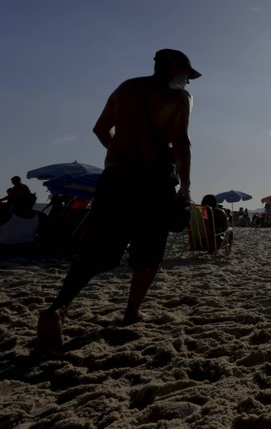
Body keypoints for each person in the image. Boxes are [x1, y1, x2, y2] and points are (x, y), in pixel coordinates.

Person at [37, 49, 200, 349]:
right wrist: (186, 188)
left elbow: (100, 129)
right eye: (188, 76)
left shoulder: (125, 88)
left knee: (97, 250)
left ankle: (56, 310)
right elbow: (181, 141)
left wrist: (122, 154)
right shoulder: (178, 97)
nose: (188, 83)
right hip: (153, 179)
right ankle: (131, 312)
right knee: (150, 251)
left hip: (115, 178)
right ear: (176, 67)